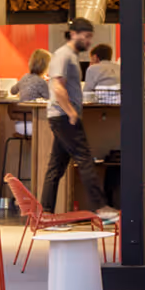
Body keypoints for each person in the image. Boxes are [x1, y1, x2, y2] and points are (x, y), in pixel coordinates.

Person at [44, 18, 110, 214]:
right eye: (86, 36)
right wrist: (72, 113)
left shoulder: (70, 56)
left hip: (61, 115)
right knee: (85, 159)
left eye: (90, 37)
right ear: (73, 34)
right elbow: (57, 86)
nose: (89, 41)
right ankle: (101, 208)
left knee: (56, 167)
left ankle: (45, 212)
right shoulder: (63, 55)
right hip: (64, 116)